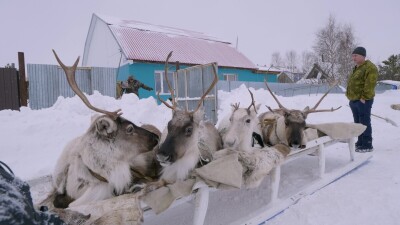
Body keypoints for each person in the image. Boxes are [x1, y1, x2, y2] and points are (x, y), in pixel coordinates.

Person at [346, 46, 378, 153]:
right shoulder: (357, 68)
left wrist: (364, 97)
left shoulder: (370, 67)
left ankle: (367, 143)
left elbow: (370, 84)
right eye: (353, 56)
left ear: (363, 56)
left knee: (364, 122)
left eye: (356, 56)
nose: (353, 58)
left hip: (363, 100)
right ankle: (360, 141)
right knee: (357, 122)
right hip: (354, 100)